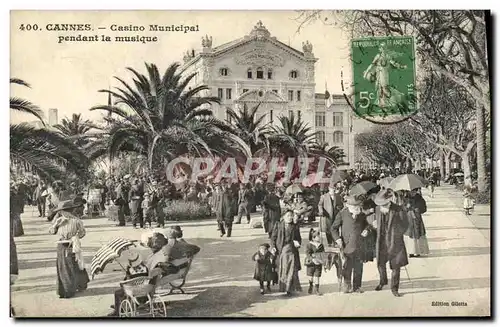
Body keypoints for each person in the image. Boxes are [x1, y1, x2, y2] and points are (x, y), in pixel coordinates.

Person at [48, 197, 90, 298]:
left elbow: (82, 233)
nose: (62, 213)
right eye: (61, 212)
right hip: (61, 245)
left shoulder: (76, 221)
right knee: (63, 267)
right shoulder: (58, 220)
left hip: (72, 245)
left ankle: (71, 289)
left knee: (72, 266)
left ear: (69, 211)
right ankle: (65, 289)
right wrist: (56, 225)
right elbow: (51, 232)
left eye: (64, 211)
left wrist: (75, 237)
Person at [373, 189, 409, 297]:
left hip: (395, 241)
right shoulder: (378, 209)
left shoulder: (399, 209)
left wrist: (397, 233)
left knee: (396, 266)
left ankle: (394, 288)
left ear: (389, 202)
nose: (381, 207)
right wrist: (375, 225)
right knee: (380, 263)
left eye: (383, 205)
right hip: (382, 241)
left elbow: (406, 224)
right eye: (380, 205)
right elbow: (374, 220)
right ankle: (382, 281)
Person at [330, 195, 370, 293]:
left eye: (358, 206)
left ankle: (357, 286)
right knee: (347, 266)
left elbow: (367, 226)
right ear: (348, 205)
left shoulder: (362, 215)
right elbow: (333, 228)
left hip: (359, 245)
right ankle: (347, 286)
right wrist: (338, 239)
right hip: (347, 245)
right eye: (354, 206)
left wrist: (366, 230)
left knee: (358, 267)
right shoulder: (342, 214)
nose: (357, 208)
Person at [270, 210, 302, 296]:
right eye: (288, 215)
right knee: (283, 269)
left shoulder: (295, 227)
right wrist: (273, 247)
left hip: (292, 250)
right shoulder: (278, 225)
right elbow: (273, 238)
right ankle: (283, 287)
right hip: (281, 251)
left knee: (292, 269)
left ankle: (289, 289)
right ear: (283, 217)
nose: (290, 217)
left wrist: (297, 243)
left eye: (291, 216)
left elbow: (298, 238)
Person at [404, 189, 430, 257]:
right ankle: (410, 252)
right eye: (412, 191)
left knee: (418, 233)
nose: (413, 193)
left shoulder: (419, 198)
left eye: (414, 191)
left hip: (417, 218)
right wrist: (406, 207)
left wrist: (419, 209)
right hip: (409, 218)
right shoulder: (406, 198)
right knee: (409, 234)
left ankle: (418, 251)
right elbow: (402, 208)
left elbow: (424, 208)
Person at [305, 229, 325, 295]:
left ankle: (317, 289)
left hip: (318, 263)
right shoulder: (309, 245)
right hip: (311, 263)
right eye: (318, 236)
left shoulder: (321, 245)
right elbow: (308, 254)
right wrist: (312, 259)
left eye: (319, 236)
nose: (319, 237)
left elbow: (323, 253)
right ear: (313, 238)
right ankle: (310, 286)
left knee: (317, 276)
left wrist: (323, 261)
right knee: (310, 276)